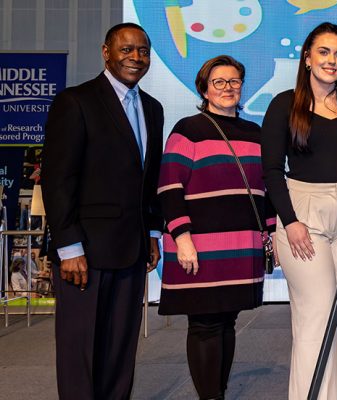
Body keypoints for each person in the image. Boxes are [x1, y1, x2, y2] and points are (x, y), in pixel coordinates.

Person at [41, 22, 164, 399]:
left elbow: (150, 178)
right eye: (126, 50)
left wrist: (153, 233)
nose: (136, 58)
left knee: (119, 350)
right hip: (85, 253)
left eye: (142, 51)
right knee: (81, 352)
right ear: (106, 52)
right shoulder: (76, 101)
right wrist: (68, 247)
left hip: (131, 249)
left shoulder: (153, 108)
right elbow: (58, 178)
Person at [261, 22, 337, 400]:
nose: (332, 60)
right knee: (316, 315)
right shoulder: (283, 104)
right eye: (324, 52)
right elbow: (271, 170)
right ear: (307, 57)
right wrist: (290, 222)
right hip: (303, 212)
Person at [157, 55, 274, 400]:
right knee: (205, 324)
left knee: (227, 321)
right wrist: (182, 238)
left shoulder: (255, 132)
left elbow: (263, 190)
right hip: (200, 247)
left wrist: (272, 234)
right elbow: (169, 187)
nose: (227, 88)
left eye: (234, 81)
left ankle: (218, 392)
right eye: (219, 82)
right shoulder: (187, 130)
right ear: (205, 89)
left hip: (242, 245)